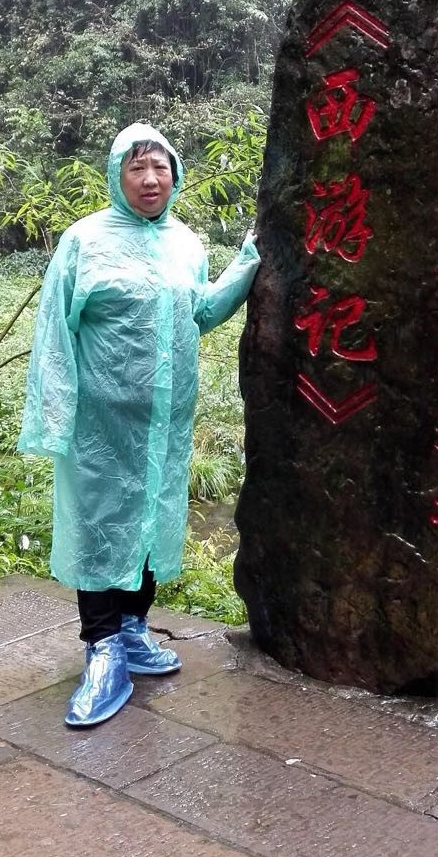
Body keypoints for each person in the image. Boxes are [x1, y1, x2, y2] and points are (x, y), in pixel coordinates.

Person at [18, 121, 260, 727]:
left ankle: (130, 629)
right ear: (117, 174)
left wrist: (251, 261)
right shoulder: (84, 240)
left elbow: (198, 314)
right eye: (137, 167)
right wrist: (56, 418)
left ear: (176, 174)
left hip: (164, 425)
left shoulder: (186, 243)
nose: (151, 179)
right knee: (98, 528)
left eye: (161, 167)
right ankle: (100, 650)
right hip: (99, 427)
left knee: (150, 522)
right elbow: (54, 331)